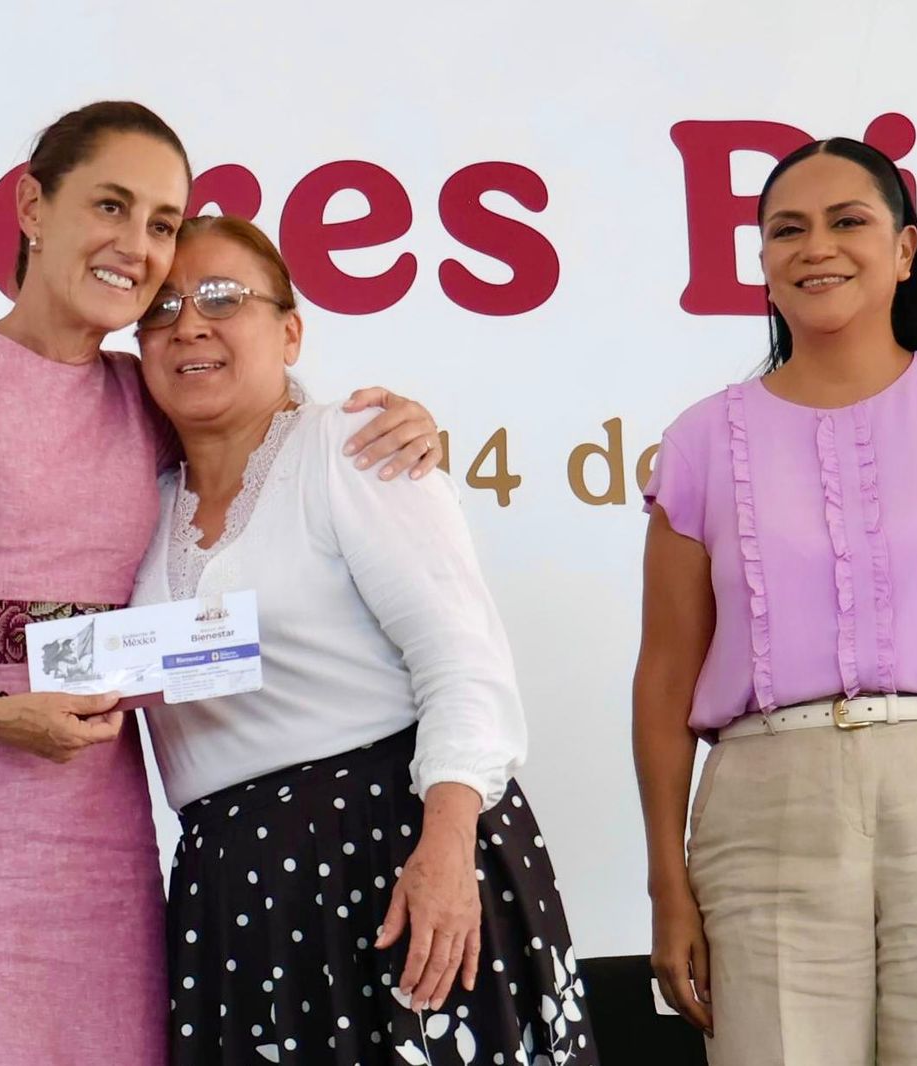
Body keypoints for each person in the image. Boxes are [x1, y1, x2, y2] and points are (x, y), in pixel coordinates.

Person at [0, 101, 443, 1065]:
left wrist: (401, 428)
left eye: (163, 223)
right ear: (30, 205)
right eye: (110, 205)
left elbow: (266, 417)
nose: (137, 246)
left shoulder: (145, 399)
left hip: (93, 847)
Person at [633, 138, 917, 1065]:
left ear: (906, 250)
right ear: (760, 262)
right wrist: (666, 883)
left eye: (849, 222)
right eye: (786, 230)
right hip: (765, 815)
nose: (816, 247)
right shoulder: (700, 441)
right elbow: (663, 680)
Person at [130, 215, 597, 1065]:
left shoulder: (353, 445)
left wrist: (449, 846)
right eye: (160, 308)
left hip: (394, 853)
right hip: (234, 895)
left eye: (222, 298)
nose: (188, 323)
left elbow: (464, 663)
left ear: (291, 329)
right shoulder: (136, 503)